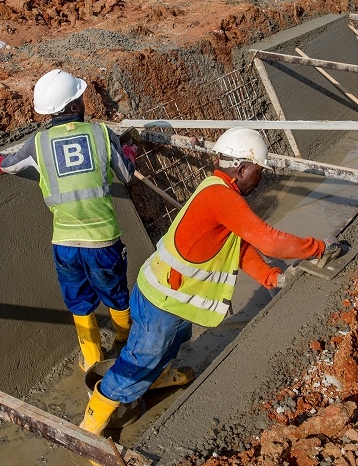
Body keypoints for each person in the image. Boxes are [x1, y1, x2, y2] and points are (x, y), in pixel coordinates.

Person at [79, 128, 339, 444]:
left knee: (171, 343)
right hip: (162, 301)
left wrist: (270, 277)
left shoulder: (216, 189)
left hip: (166, 297)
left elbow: (239, 246)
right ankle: (90, 428)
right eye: (258, 171)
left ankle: (159, 376)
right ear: (242, 168)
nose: (259, 179)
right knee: (135, 363)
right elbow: (269, 241)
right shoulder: (222, 198)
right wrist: (317, 247)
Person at [0, 69, 138, 373]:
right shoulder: (101, 134)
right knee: (115, 293)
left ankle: (91, 358)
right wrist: (129, 150)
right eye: (80, 98)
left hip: (64, 243)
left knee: (78, 299)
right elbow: (126, 175)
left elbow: (9, 166)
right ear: (74, 107)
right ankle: (125, 343)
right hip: (103, 240)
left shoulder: (38, 143)